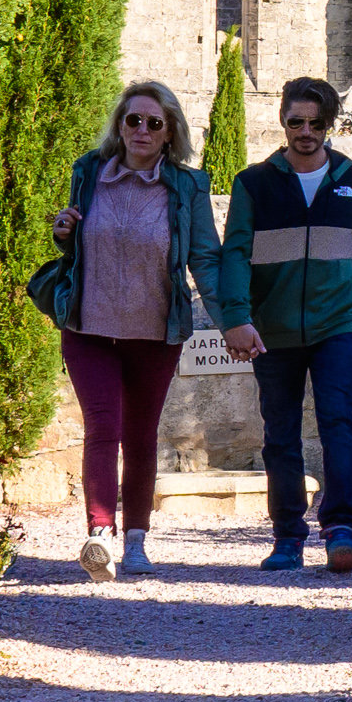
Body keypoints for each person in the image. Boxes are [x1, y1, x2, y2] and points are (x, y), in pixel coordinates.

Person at [215, 74, 352, 573]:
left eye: (316, 123)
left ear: (329, 125)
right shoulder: (253, 184)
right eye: (297, 121)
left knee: (338, 423)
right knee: (280, 433)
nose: (306, 131)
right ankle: (287, 539)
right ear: (282, 119)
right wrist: (236, 318)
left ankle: (342, 530)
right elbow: (234, 253)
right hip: (272, 328)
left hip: (337, 325)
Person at [40, 79, 223, 579]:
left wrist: (233, 322)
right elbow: (82, 244)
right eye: (133, 119)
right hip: (89, 327)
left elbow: (205, 260)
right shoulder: (89, 171)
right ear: (119, 126)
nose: (142, 129)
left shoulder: (187, 187)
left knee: (140, 436)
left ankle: (137, 541)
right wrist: (64, 233)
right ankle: (100, 536)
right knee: (102, 428)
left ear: (170, 133)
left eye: (154, 123)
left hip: (154, 333)